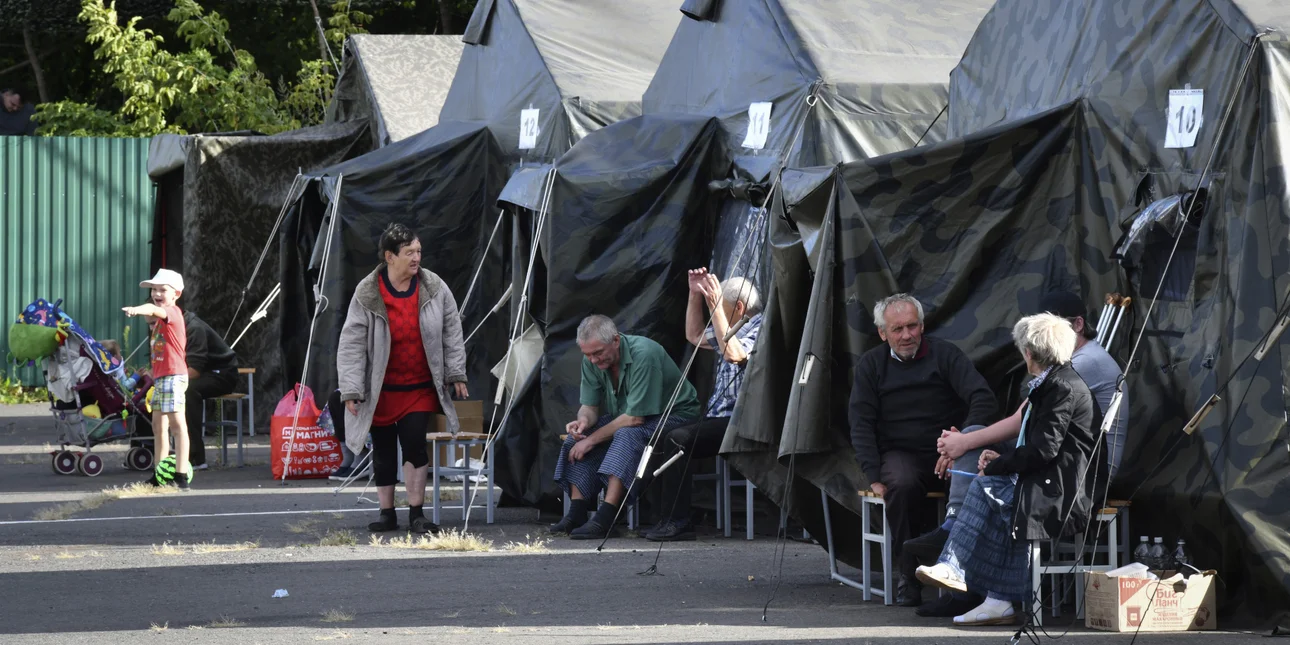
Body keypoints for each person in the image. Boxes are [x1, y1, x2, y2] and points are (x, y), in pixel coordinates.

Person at [908, 289, 1128, 617]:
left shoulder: (1072, 375)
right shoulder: (1056, 379)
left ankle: (962, 565)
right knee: (988, 474)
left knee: (992, 486)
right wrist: (992, 458)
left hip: (1077, 478)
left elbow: (1038, 443)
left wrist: (993, 462)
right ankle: (984, 586)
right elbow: (1035, 435)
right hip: (1062, 468)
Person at [849, 293, 997, 605]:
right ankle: (909, 574)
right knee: (900, 484)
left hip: (948, 451)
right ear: (882, 333)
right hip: (900, 455)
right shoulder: (871, 365)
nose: (906, 335)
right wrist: (873, 476)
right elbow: (860, 423)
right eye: (897, 329)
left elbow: (983, 398)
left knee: (986, 480)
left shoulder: (945, 355)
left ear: (922, 326)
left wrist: (959, 442)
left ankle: (973, 577)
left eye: (912, 327)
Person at [337, 223, 469, 535]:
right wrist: (352, 387)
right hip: (380, 388)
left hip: (419, 387)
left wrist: (455, 372)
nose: (416, 257)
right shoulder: (368, 292)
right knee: (383, 448)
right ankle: (386, 513)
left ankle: (416, 513)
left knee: (413, 443)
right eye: (409, 252)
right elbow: (352, 342)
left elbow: (452, 330)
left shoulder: (434, 286)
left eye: (418, 251)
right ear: (389, 256)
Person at [550, 315, 702, 540]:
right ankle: (577, 512)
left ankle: (607, 517)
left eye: (598, 353)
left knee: (626, 434)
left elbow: (635, 418)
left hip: (676, 417)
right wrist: (583, 421)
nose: (593, 360)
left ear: (615, 340)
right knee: (576, 439)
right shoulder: (592, 359)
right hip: (630, 418)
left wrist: (590, 441)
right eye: (588, 354)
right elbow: (589, 407)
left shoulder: (645, 354)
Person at [640, 269, 762, 542]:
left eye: (720, 308)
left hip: (743, 421)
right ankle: (662, 517)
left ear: (739, 308)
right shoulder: (733, 325)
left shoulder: (760, 326)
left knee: (677, 440)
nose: (714, 313)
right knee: (659, 435)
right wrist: (695, 295)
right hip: (718, 418)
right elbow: (694, 336)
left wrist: (716, 307)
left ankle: (679, 522)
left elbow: (735, 354)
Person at [123, 269, 191, 490]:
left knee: (177, 426)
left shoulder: (172, 312)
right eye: (154, 289)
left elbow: (152, 310)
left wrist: (135, 309)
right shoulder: (158, 321)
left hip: (173, 376)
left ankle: (180, 475)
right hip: (162, 378)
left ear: (176, 294)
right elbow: (151, 313)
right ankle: (160, 473)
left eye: (163, 289)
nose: (157, 293)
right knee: (158, 427)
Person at [181, 311, 239, 470]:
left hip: (222, 374)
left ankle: (196, 458)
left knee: (186, 391)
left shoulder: (193, 328)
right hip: (202, 373)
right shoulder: (163, 328)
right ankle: (148, 449)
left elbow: (194, 371)